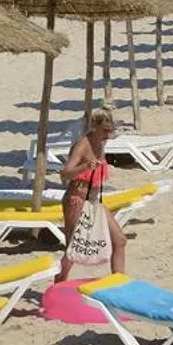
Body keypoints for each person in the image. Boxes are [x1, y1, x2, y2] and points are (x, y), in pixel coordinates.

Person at [56, 106, 128, 282]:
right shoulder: (82, 145)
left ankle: (118, 283)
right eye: (104, 131)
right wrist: (85, 167)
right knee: (74, 249)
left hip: (94, 202)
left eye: (110, 131)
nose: (107, 135)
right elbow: (64, 173)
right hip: (76, 201)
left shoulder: (101, 144)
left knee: (119, 240)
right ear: (94, 126)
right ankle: (58, 283)